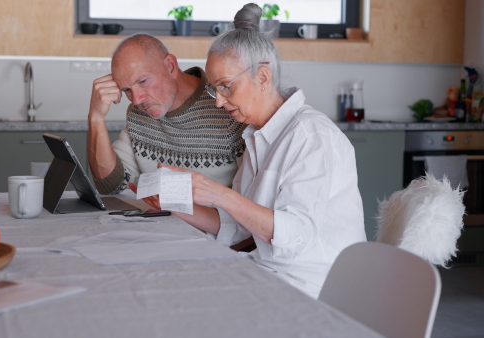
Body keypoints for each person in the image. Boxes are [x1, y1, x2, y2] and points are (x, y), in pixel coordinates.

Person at [149, 3, 366, 298]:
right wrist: (173, 204)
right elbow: (238, 226)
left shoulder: (312, 137)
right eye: (214, 89)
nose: (218, 102)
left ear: (262, 77)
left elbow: (295, 236)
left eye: (225, 87)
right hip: (268, 272)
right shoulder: (258, 136)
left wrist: (217, 193)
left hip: (313, 288)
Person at [87, 33, 246, 195]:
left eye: (142, 81)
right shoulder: (139, 112)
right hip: (161, 219)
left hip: (220, 220)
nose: (136, 99)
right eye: (127, 90)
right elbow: (110, 185)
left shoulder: (227, 106)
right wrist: (96, 118)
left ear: (170, 66)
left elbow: (252, 197)